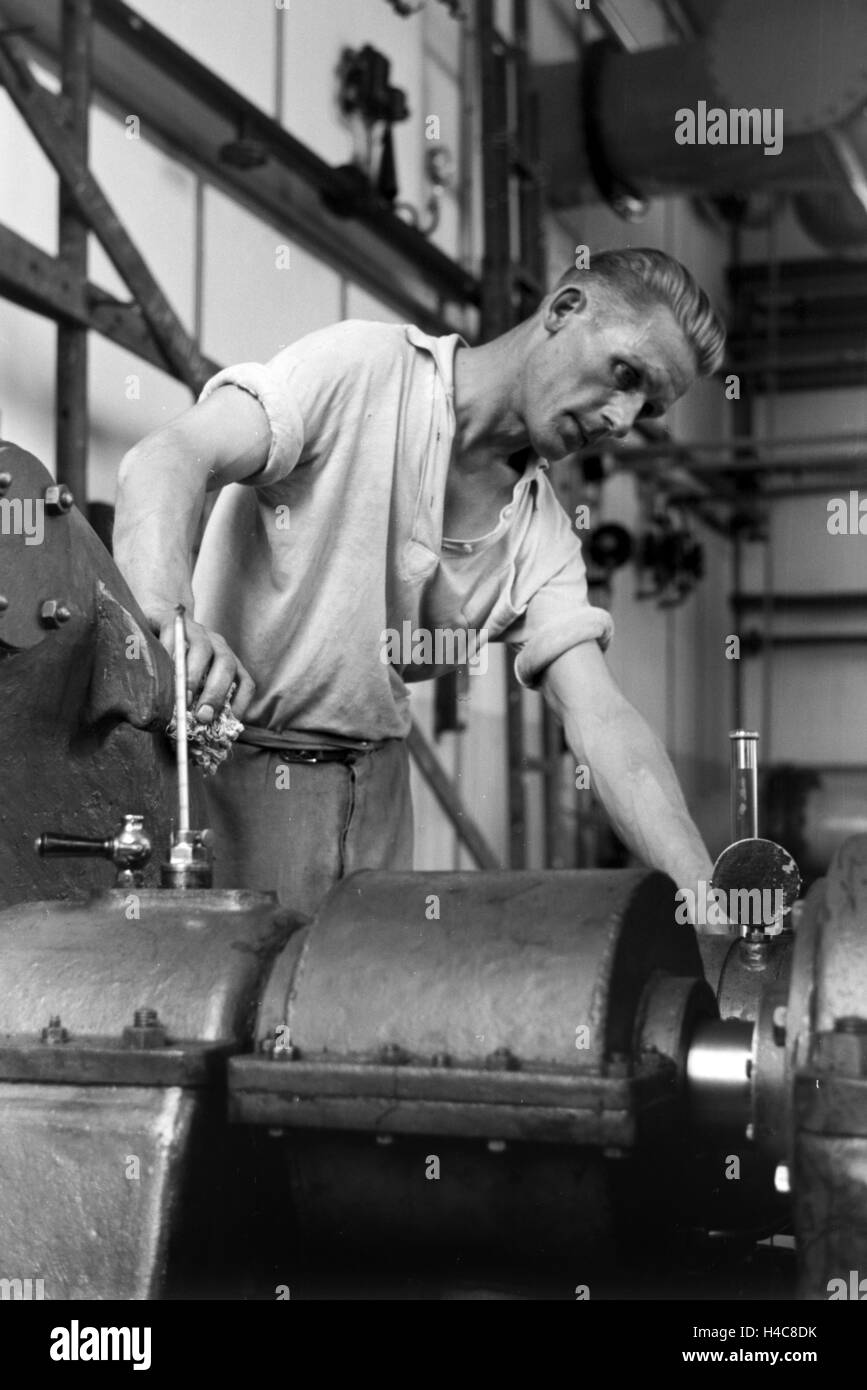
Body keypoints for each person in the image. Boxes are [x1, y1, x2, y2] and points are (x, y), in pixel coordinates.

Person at [113, 246, 726, 919]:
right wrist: (167, 621)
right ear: (564, 309)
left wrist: (703, 896)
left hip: (377, 799)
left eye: (644, 408)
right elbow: (165, 458)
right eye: (623, 373)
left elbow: (601, 720)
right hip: (227, 785)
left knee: (353, 1014)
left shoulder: (540, 538)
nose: (619, 418)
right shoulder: (360, 370)